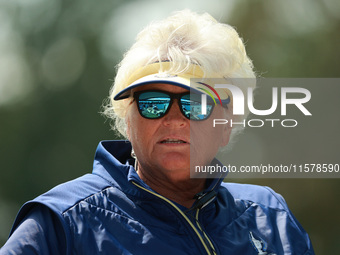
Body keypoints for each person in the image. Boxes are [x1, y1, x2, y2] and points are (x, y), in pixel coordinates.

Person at [0, 10, 314, 255]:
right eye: (153, 103)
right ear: (127, 120)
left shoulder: (271, 218)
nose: (175, 119)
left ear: (226, 125)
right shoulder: (63, 223)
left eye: (196, 104)